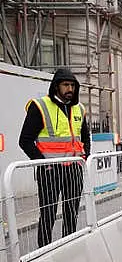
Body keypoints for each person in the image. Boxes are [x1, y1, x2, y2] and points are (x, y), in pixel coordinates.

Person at [19, 68, 91, 248]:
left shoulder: (79, 109)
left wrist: (84, 158)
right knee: (48, 212)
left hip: (73, 169)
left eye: (73, 85)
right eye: (66, 85)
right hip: (50, 170)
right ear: (56, 86)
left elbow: (85, 137)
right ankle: (44, 250)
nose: (70, 89)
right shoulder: (40, 106)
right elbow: (25, 141)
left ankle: (69, 245)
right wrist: (44, 164)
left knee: (71, 211)